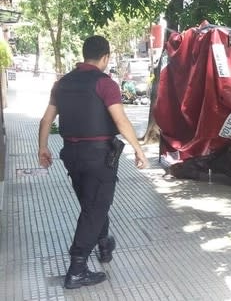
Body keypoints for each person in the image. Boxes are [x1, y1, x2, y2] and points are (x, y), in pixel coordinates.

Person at [37, 35, 149, 289]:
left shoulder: (62, 83)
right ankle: (77, 269)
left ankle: (103, 243)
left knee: (92, 204)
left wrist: (42, 148)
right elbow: (120, 122)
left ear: (84, 53)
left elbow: (45, 121)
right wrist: (138, 150)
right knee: (94, 209)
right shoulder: (105, 84)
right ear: (105, 57)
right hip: (99, 156)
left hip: (72, 156)